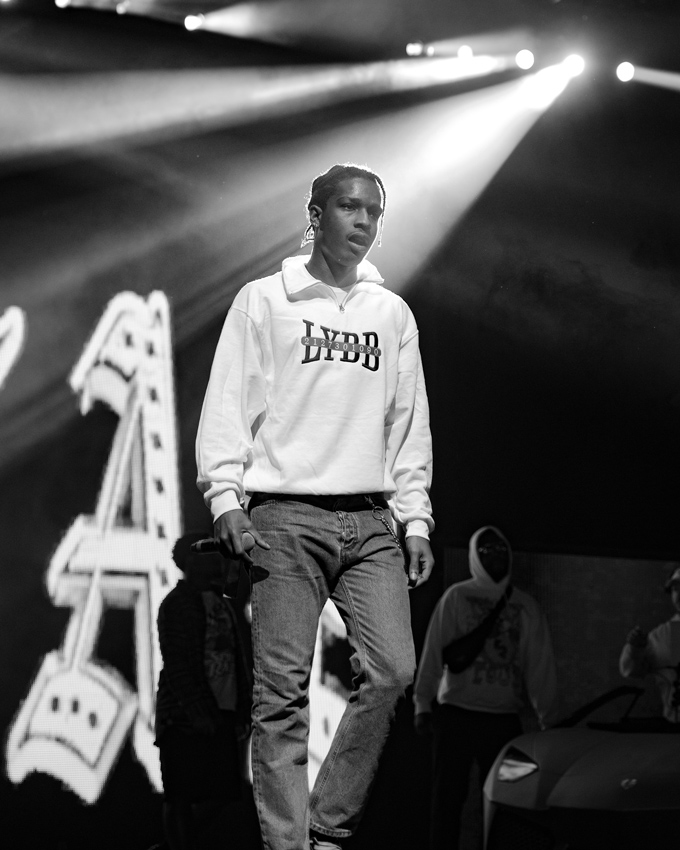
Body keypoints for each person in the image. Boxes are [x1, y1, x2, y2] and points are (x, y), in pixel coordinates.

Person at [195, 163, 435, 850]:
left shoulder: (391, 313)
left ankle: (326, 825)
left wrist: (415, 516)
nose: (363, 223)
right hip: (284, 516)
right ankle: (286, 843)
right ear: (317, 213)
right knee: (281, 696)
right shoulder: (265, 300)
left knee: (393, 672)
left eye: (374, 212)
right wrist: (225, 496)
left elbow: (406, 423)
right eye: (350, 208)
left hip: (369, 519)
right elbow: (228, 404)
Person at [413, 526, 558, 850]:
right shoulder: (457, 596)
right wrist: (423, 703)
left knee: (506, 804)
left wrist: (549, 721)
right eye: (487, 550)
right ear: (475, 555)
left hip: (503, 720)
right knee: (447, 802)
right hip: (456, 715)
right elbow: (434, 650)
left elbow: (540, 666)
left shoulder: (525, 605)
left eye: (500, 550)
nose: (495, 556)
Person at [153, 532, 252, 850]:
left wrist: (242, 708)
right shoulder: (177, 604)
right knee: (179, 794)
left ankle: (171, 845)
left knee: (224, 793)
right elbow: (178, 663)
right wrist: (196, 710)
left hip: (222, 712)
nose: (213, 559)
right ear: (187, 562)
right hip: (183, 716)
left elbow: (238, 657)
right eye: (204, 553)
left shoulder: (226, 601)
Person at [620, 564, 680, 724]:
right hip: (674, 732)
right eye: (676, 589)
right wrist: (635, 649)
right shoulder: (667, 635)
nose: (679, 595)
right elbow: (631, 670)